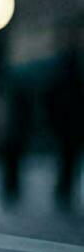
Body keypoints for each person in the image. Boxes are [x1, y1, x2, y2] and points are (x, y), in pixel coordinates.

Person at [43, 48, 84, 210]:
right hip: (71, 129)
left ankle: (63, 189)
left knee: (66, 159)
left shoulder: (59, 84)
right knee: (70, 159)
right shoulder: (76, 85)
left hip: (65, 129)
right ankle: (65, 189)